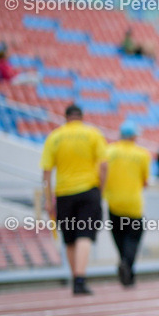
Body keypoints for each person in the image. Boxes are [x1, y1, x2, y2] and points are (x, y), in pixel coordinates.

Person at [41, 104, 108, 295]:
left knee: (69, 238)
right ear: (82, 117)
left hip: (63, 193)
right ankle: (80, 278)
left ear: (66, 117)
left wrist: (48, 200)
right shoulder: (93, 134)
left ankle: (76, 280)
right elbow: (104, 166)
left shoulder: (55, 136)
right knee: (85, 235)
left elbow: (46, 172)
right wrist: (101, 190)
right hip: (88, 190)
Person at [105, 121, 151, 287]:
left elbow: (101, 173)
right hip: (133, 204)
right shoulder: (142, 154)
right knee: (133, 239)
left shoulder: (109, 151)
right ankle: (126, 264)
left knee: (119, 238)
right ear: (133, 136)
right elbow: (145, 182)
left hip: (113, 203)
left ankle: (127, 270)